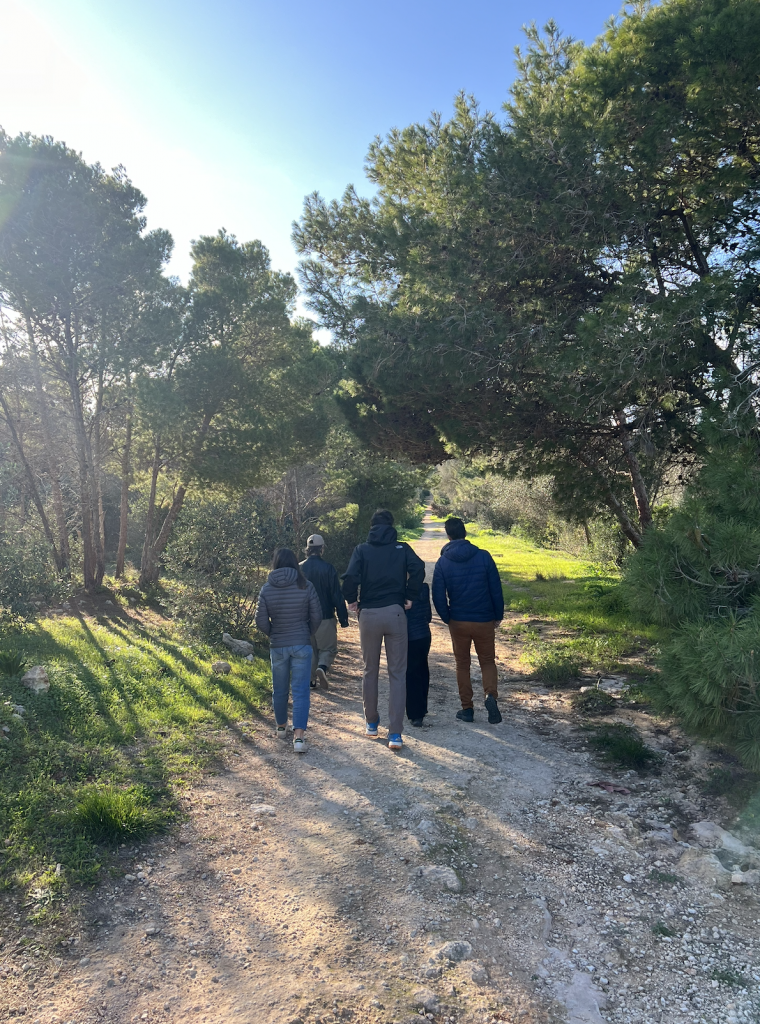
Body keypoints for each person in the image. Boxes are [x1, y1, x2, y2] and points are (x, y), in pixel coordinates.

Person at [341, 509, 425, 751]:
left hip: (369, 614)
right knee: (398, 674)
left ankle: (371, 723)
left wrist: (351, 600)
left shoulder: (362, 550)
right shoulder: (402, 548)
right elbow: (418, 569)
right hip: (396, 613)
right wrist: (410, 596)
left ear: (372, 526)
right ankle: (395, 734)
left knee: (370, 670)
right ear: (392, 525)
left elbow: (350, 579)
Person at [432, 517, 505, 724]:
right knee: (487, 661)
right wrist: (498, 615)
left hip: (459, 620)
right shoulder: (484, 557)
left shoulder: (443, 562)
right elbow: (495, 589)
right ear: (465, 533)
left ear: (448, 535)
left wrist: (448, 617)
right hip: (484, 619)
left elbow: (438, 595)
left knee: (462, 664)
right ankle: (490, 695)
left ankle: (467, 709)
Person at [255, 548, 322, 753]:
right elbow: (317, 615)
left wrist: (273, 633)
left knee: (280, 688)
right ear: (295, 563)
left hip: (278, 645)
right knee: (301, 691)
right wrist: (306, 632)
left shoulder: (267, 588)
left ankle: (281, 726)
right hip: (302, 643)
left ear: (275, 563)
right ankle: (299, 738)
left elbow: (260, 621)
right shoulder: (306, 585)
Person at [299, 533, 350, 689]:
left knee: (311, 649)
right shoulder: (328, 568)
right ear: (322, 549)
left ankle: (311, 680)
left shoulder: (299, 568)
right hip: (325, 615)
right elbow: (336, 595)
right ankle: (323, 667)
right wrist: (343, 618)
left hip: (304, 617)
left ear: (307, 549)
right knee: (328, 648)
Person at [405, 580, 432, 727]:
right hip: (424, 634)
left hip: (409, 636)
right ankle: (422, 707)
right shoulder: (423, 587)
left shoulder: (400, 589)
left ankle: (415, 713)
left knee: (411, 673)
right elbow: (428, 615)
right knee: (423, 670)